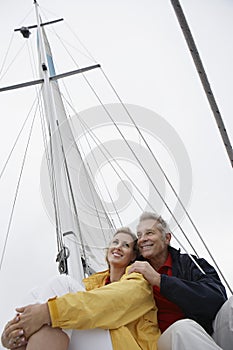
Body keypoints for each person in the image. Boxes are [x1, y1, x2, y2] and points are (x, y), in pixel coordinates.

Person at [1, 227, 160, 350]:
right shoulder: (90, 285)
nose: (118, 247)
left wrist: (49, 311)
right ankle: (14, 335)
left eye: (126, 245)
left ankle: (18, 337)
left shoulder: (139, 280)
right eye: (115, 242)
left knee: (61, 286)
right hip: (100, 341)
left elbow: (109, 303)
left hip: (126, 345)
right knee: (40, 301)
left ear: (133, 256)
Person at [128, 211, 233, 350]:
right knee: (183, 328)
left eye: (149, 233)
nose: (142, 239)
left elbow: (217, 299)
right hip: (163, 341)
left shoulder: (191, 264)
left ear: (167, 238)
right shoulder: (134, 271)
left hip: (206, 335)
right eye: (139, 235)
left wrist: (160, 280)